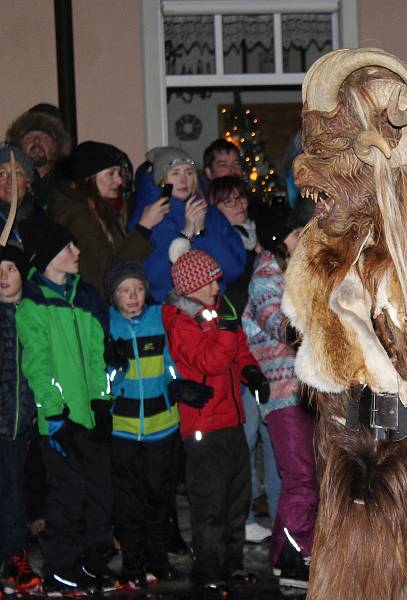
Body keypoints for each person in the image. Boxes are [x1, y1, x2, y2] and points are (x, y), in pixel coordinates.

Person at [15, 220, 116, 595]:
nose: (76, 252)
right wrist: (55, 413)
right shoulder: (35, 305)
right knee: (67, 497)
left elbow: (97, 356)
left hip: (90, 417)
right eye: (67, 248)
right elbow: (38, 366)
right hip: (60, 422)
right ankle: (62, 564)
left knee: (99, 495)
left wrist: (102, 403)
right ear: (47, 259)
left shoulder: (85, 296)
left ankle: (91, 561)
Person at [162, 249, 268, 592]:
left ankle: (232, 564)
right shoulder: (182, 322)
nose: (216, 287)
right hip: (204, 426)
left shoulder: (217, 312)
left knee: (237, 498)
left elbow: (238, 349)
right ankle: (208, 569)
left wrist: (251, 370)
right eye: (210, 282)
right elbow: (210, 361)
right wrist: (225, 331)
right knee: (210, 502)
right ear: (191, 287)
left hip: (230, 419)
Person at [242, 206, 317, 588]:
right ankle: (292, 554)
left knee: (307, 475)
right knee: (300, 476)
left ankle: (286, 553)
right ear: (277, 239)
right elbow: (284, 326)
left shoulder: (295, 272)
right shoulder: (265, 280)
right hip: (283, 391)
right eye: (295, 233)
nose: (303, 238)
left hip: (307, 390)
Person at [207, 175, 278, 544]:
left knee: (272, 435)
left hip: (269, 353)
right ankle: (244, 513)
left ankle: (282, 517)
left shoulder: (259, 240)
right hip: (239, 349)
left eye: (241, 199)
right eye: (229, 201)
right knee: (245, 434)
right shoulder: (218, 244)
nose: (239, 206)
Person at [103, 261, 182, 587]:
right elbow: (104, 383)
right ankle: (133, 562)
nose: (133, 297)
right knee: (129, 500)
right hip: (124, 429)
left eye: (137, 289)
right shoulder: (108, 326)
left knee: (159, 497)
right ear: (114, 296)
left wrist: (177, 385)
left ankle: (158, 558)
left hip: (161, 426)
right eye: (124, 291)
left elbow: (172, 365)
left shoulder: (158, 319)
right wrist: (113, 366)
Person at [48, 141, 168, 295]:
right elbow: (110, 273)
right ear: (88, 178)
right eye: (111, 173)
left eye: (119, 173)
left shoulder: (109, 209)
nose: (119, 180)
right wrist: (144, 226)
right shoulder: (76, 215)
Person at [131, 147, 246, 302]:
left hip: (215, 308)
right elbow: (155, 280)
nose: (184, 180)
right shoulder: (148, 217)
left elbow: (234, 269)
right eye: (175, 173)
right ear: (161, 180)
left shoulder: (211, 214)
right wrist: (185, 235)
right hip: (169, 313)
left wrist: (201, 234)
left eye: (189, 172)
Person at [0, 245, 43, 596]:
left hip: (19, 421)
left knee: (15, 491)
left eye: (11, 269)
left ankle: (15, 557)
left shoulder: (34, 314)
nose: (3, 277)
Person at [5, 105, 71, 210]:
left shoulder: (71, 187)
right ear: (19, 145)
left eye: (44, 138)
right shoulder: (6, 183)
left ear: (56, 146)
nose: (36, 142)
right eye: (29, 138)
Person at [0, 145, 44, 244]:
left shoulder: (40, 219)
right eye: (2, 174)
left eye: (18, 174)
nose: (11, 181)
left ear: (27, 183)